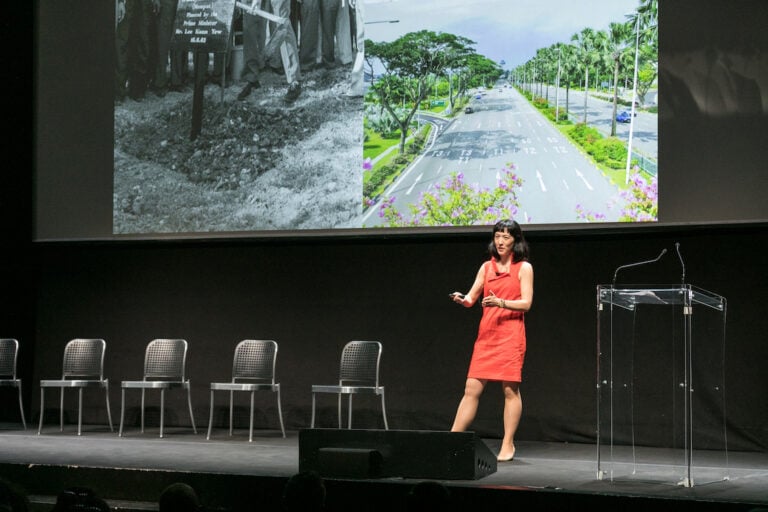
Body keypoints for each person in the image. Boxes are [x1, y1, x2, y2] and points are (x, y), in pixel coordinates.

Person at [449, 219, 533, 462]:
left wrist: (501, 302)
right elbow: (471, 298)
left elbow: (526, 303)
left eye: (506, 237)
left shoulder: (524, 268)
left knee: (509, 390)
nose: (500, 241)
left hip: (510, 335)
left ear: (516, 240)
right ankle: (453, 437)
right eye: (497, 236)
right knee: (471, 389)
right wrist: (461, 299)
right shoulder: (487, 267)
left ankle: (508, 444)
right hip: (487, 336)